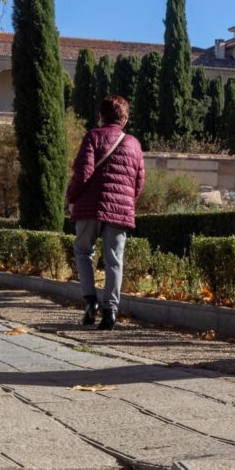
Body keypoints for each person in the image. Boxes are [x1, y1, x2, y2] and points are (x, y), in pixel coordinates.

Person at [65, 94, 146, 331]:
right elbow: (138, 182)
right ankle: (111, 311)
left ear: (101, 115)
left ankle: (90, 302)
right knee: (114, 260)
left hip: (89, 208)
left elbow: (83, 173)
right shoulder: (134, 144)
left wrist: (71, 196)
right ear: (125, 118)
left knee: (82, 251)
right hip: (119, 211)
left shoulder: (93, 137)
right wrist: (126, 203)